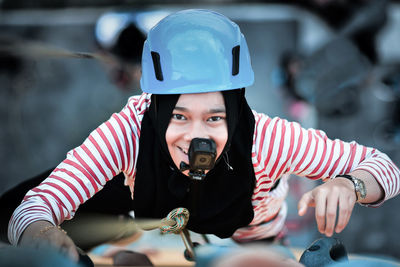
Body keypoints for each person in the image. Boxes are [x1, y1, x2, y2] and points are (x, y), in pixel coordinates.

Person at [7, 9, 400, 262]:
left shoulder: (267, 139)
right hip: (147, 211)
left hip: (254, 229)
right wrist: (39, 232)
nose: (198, 139)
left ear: (236, 111)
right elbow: (39, 202)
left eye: (215, 118)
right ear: (155, 109)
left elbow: (384, 167)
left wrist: (351, 185)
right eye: (179, 116)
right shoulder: (130, 129)